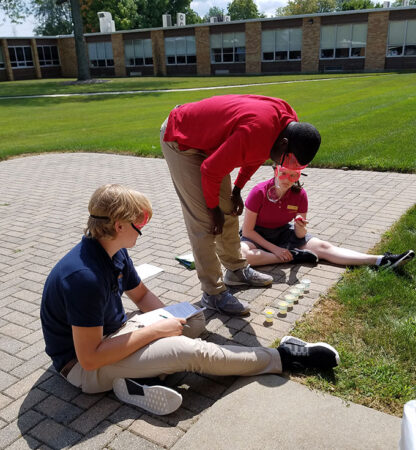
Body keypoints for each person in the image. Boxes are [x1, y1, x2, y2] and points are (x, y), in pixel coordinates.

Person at [41, 184, 340, 416]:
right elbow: (90, 357)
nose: (143, 229)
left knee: (192, 318)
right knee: (191, 351)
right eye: (139, 222)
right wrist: (158, 332)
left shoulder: (112, 251)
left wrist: (169, 322)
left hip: (111, 338)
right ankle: (284, 358)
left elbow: (142, 295)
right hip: (82, 368)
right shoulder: (84, 277)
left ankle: (136, 383)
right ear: (119, 225)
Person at [161, 94, 321, 316]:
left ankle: (236, 270)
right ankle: (213, 293)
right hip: (181, 137)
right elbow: (210, 169)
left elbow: (257, 155)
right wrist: (212, 208)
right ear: (284, 144)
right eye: (287, 162)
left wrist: (237, 189)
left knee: (229, 211)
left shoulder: (287, 130)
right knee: (205, 222)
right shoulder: (256, 131)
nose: (282, 167)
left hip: (209, 139)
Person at [240, 164, 415, 269]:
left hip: (284, 232)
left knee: (324, 246)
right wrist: (277, 250)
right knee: (244, 256)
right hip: (257, 235)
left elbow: (299, 236)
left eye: (294, 175)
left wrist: (301, 229)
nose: (287, 179)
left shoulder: (300, 195)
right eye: (283, 172)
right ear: (275, 170)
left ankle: (381, 260)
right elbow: (248, 230)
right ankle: (294, 256)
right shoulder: (259, 192)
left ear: (299, 175)